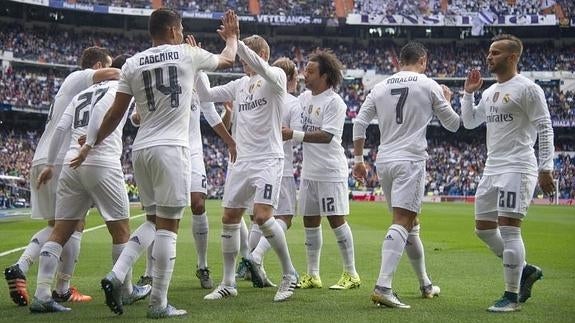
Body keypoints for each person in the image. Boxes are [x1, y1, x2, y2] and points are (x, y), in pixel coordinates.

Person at [75, 8, 239, 319]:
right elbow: (228, 59)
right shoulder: (186, 53)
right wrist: (231, 37)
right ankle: (159, 303)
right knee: (169, 227)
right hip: (172, 149)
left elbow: (115, 115)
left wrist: (91, 144)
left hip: (141, 150)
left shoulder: (133, 63)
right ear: (174, 30)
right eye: (180, 30)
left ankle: (117, 274)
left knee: (151, 222)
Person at [29, 54, 151, 313]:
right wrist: (91, 146)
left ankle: (41, 294)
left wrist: (51, 164)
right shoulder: (120, 84)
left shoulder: (82, 92)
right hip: (101, 161)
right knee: (121, 230)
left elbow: (61, 128)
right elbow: (99, 113)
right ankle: (126, 290)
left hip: (70, 166)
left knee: (61, 231)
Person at [4, 46, 119, 307]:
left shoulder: (72, 89)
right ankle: (62, 288)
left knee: (57, 226)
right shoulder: (80, 77)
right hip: (58, 159)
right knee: (72, 225)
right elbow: (114, 73)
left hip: (46, 156)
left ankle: (22, 267)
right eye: (106, 67)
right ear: (98, 65)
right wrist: (133, 73)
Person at [352, 41, 459, 308]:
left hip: (385, 160)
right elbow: (454, 124)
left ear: (400, 60)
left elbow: (359, 122)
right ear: (422, 60)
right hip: (410, 159)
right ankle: (383, 286)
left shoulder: (379, 86)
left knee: (412, 224)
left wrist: (358, 159)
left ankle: (425, 284)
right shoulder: (428, 84)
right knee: (402, 220)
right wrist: (447, 100)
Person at [197, 34, 298, 302]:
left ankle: (290, 274)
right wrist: (196, 66)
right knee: (230, 217)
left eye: (246, 57)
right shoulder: (240, 84)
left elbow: (261, 66)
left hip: (267, 159)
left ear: (260, 55)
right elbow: (205, 93)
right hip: (241, 160)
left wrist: (235, 42)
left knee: (263, 217)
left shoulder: (275, 76)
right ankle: (228, 283)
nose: (242, 63)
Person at [462, 34, 554, 312]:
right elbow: (469, 122)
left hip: (518, 166)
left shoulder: (528, 89)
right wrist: (468, 93)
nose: (489, 57)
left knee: (509, 230)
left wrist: (545, 167)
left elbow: (545, 127)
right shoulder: (489, 92)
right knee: (483, 229)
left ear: (512, 57)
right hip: (492, 167)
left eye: (496, 53)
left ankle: (511, 296)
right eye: (490, 52)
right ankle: (525, 270)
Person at [131, 71, 237, 290]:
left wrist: (229, 140)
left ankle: (202, 265)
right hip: (166, 149)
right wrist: (138, 116)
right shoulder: (158, 71)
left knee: (198, 203)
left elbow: (209, 111)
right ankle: (149, 272)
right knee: (158, 213)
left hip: (192, 151)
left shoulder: (198, 75)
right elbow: (135, 116)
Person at [282, 49, 360, 291]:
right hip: (309, 171)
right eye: (305, 69)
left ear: (325, 75)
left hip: (330, 171)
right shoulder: (304, 99)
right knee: (310, 222)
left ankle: (351, 273)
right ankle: (313, 274)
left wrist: (293, 134)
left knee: (336, 221)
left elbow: (327, 136)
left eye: (311, 70)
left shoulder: (334, 102)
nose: (305, 73)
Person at [239, 57, 300, 288]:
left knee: (257, 218)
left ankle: (247, 263)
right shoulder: (291, 101)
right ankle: (254, 258)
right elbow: (294, 132)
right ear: (291, 78)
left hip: (254, 162)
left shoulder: (258, 96)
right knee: (283, 218)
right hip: (279, 166)